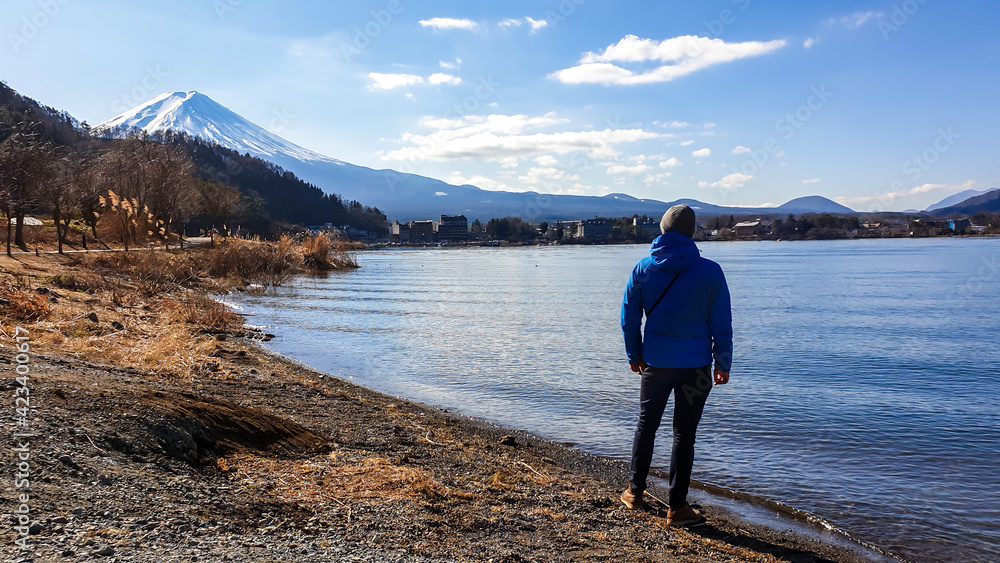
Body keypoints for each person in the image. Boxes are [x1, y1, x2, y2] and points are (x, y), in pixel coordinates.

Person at [619, 204, 733, 527]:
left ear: (663, 230)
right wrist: (722, 361)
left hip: (654, 364)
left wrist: (634, 355)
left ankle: (634, 492)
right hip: (696, 368)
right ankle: (677, 508)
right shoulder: (711, 272)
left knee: (646, 425)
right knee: (684, 434)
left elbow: (629, 319)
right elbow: (721, 323)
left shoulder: (643, 269)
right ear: (691, 233)